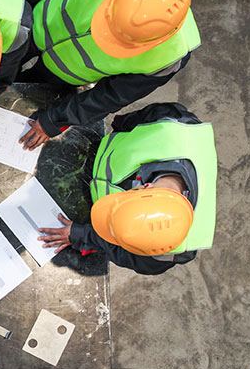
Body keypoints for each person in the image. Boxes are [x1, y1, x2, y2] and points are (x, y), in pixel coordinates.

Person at [17, 0, 201, 150]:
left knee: (29, 89)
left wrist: (55, 120)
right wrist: (23, 10)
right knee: (6, 60)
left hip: (65, 71)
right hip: (39, 22)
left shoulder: (170, 56)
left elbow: (109, 97)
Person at [37, 103, 217, 275]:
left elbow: (126, 253)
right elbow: (131, 121)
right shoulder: (173, 124)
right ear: (146, 186)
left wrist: (82, 235)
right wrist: (119, 126)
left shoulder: (170, 250)